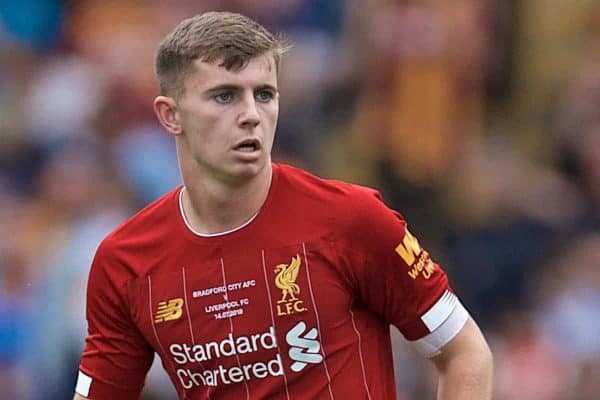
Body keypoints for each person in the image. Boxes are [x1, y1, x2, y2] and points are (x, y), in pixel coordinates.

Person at [73, 11, 492, 400]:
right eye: (224, 96)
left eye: (265, 94)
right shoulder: (124, 262)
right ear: (171, 115)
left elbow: (464, 352)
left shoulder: (352, 219)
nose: (252, 114)